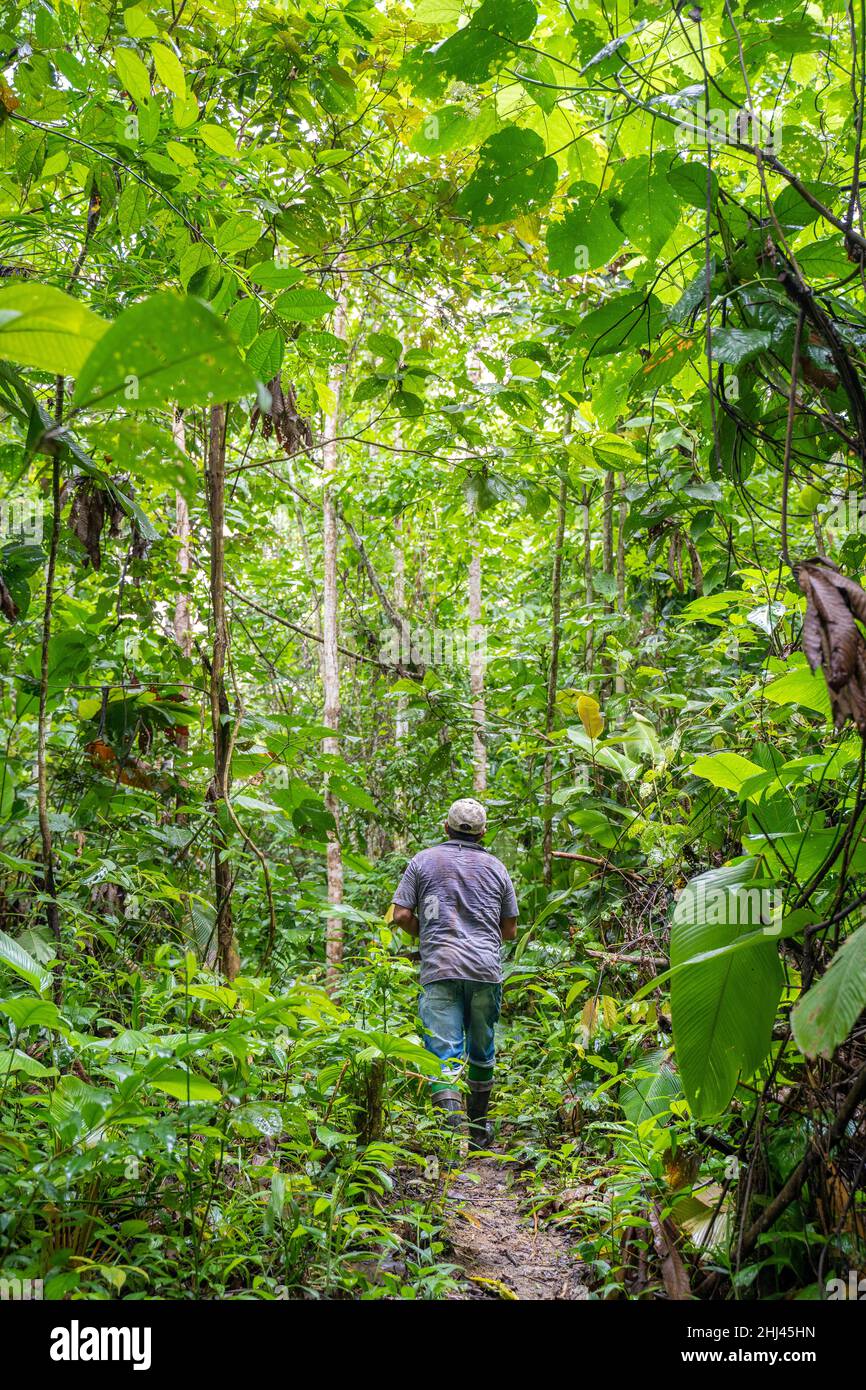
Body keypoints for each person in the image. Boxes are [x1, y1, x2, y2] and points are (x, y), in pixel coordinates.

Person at [391, 797, 518, 1148]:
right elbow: (509, 930)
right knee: (481, 1050)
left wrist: (427, 933)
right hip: (483, 969)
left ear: (445, 828)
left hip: (440, 968)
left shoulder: (422, 862)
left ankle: (449, 1142)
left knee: (443, 1054)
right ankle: (478, 1134)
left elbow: (400, 915)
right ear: (484, 833)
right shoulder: (497, 868)